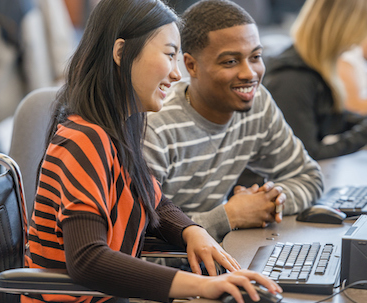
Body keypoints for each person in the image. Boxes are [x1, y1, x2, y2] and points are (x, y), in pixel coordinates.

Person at [23, 1, 282, 303]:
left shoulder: (117, 129)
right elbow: (88, 260)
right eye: (170, 55)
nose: (176, 74)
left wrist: (191, 231)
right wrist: (202, 286)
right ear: (121, 53)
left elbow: (153, 200)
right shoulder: (83, 139)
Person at [143, 0, 323, 243]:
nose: (249, 73)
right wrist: (229, 216)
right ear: (191, 65)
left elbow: (309, 177)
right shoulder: (155, 128)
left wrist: (269, 203)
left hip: (219, 255)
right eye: (230, 61)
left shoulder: (257, 104)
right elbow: (141, 228)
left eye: (256, 56)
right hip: (169, 272)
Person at [263, 0, 367, 161]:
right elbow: (307, 153)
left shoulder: (315, 65)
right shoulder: (292, 78)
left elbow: (329, 118)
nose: (355, 45)